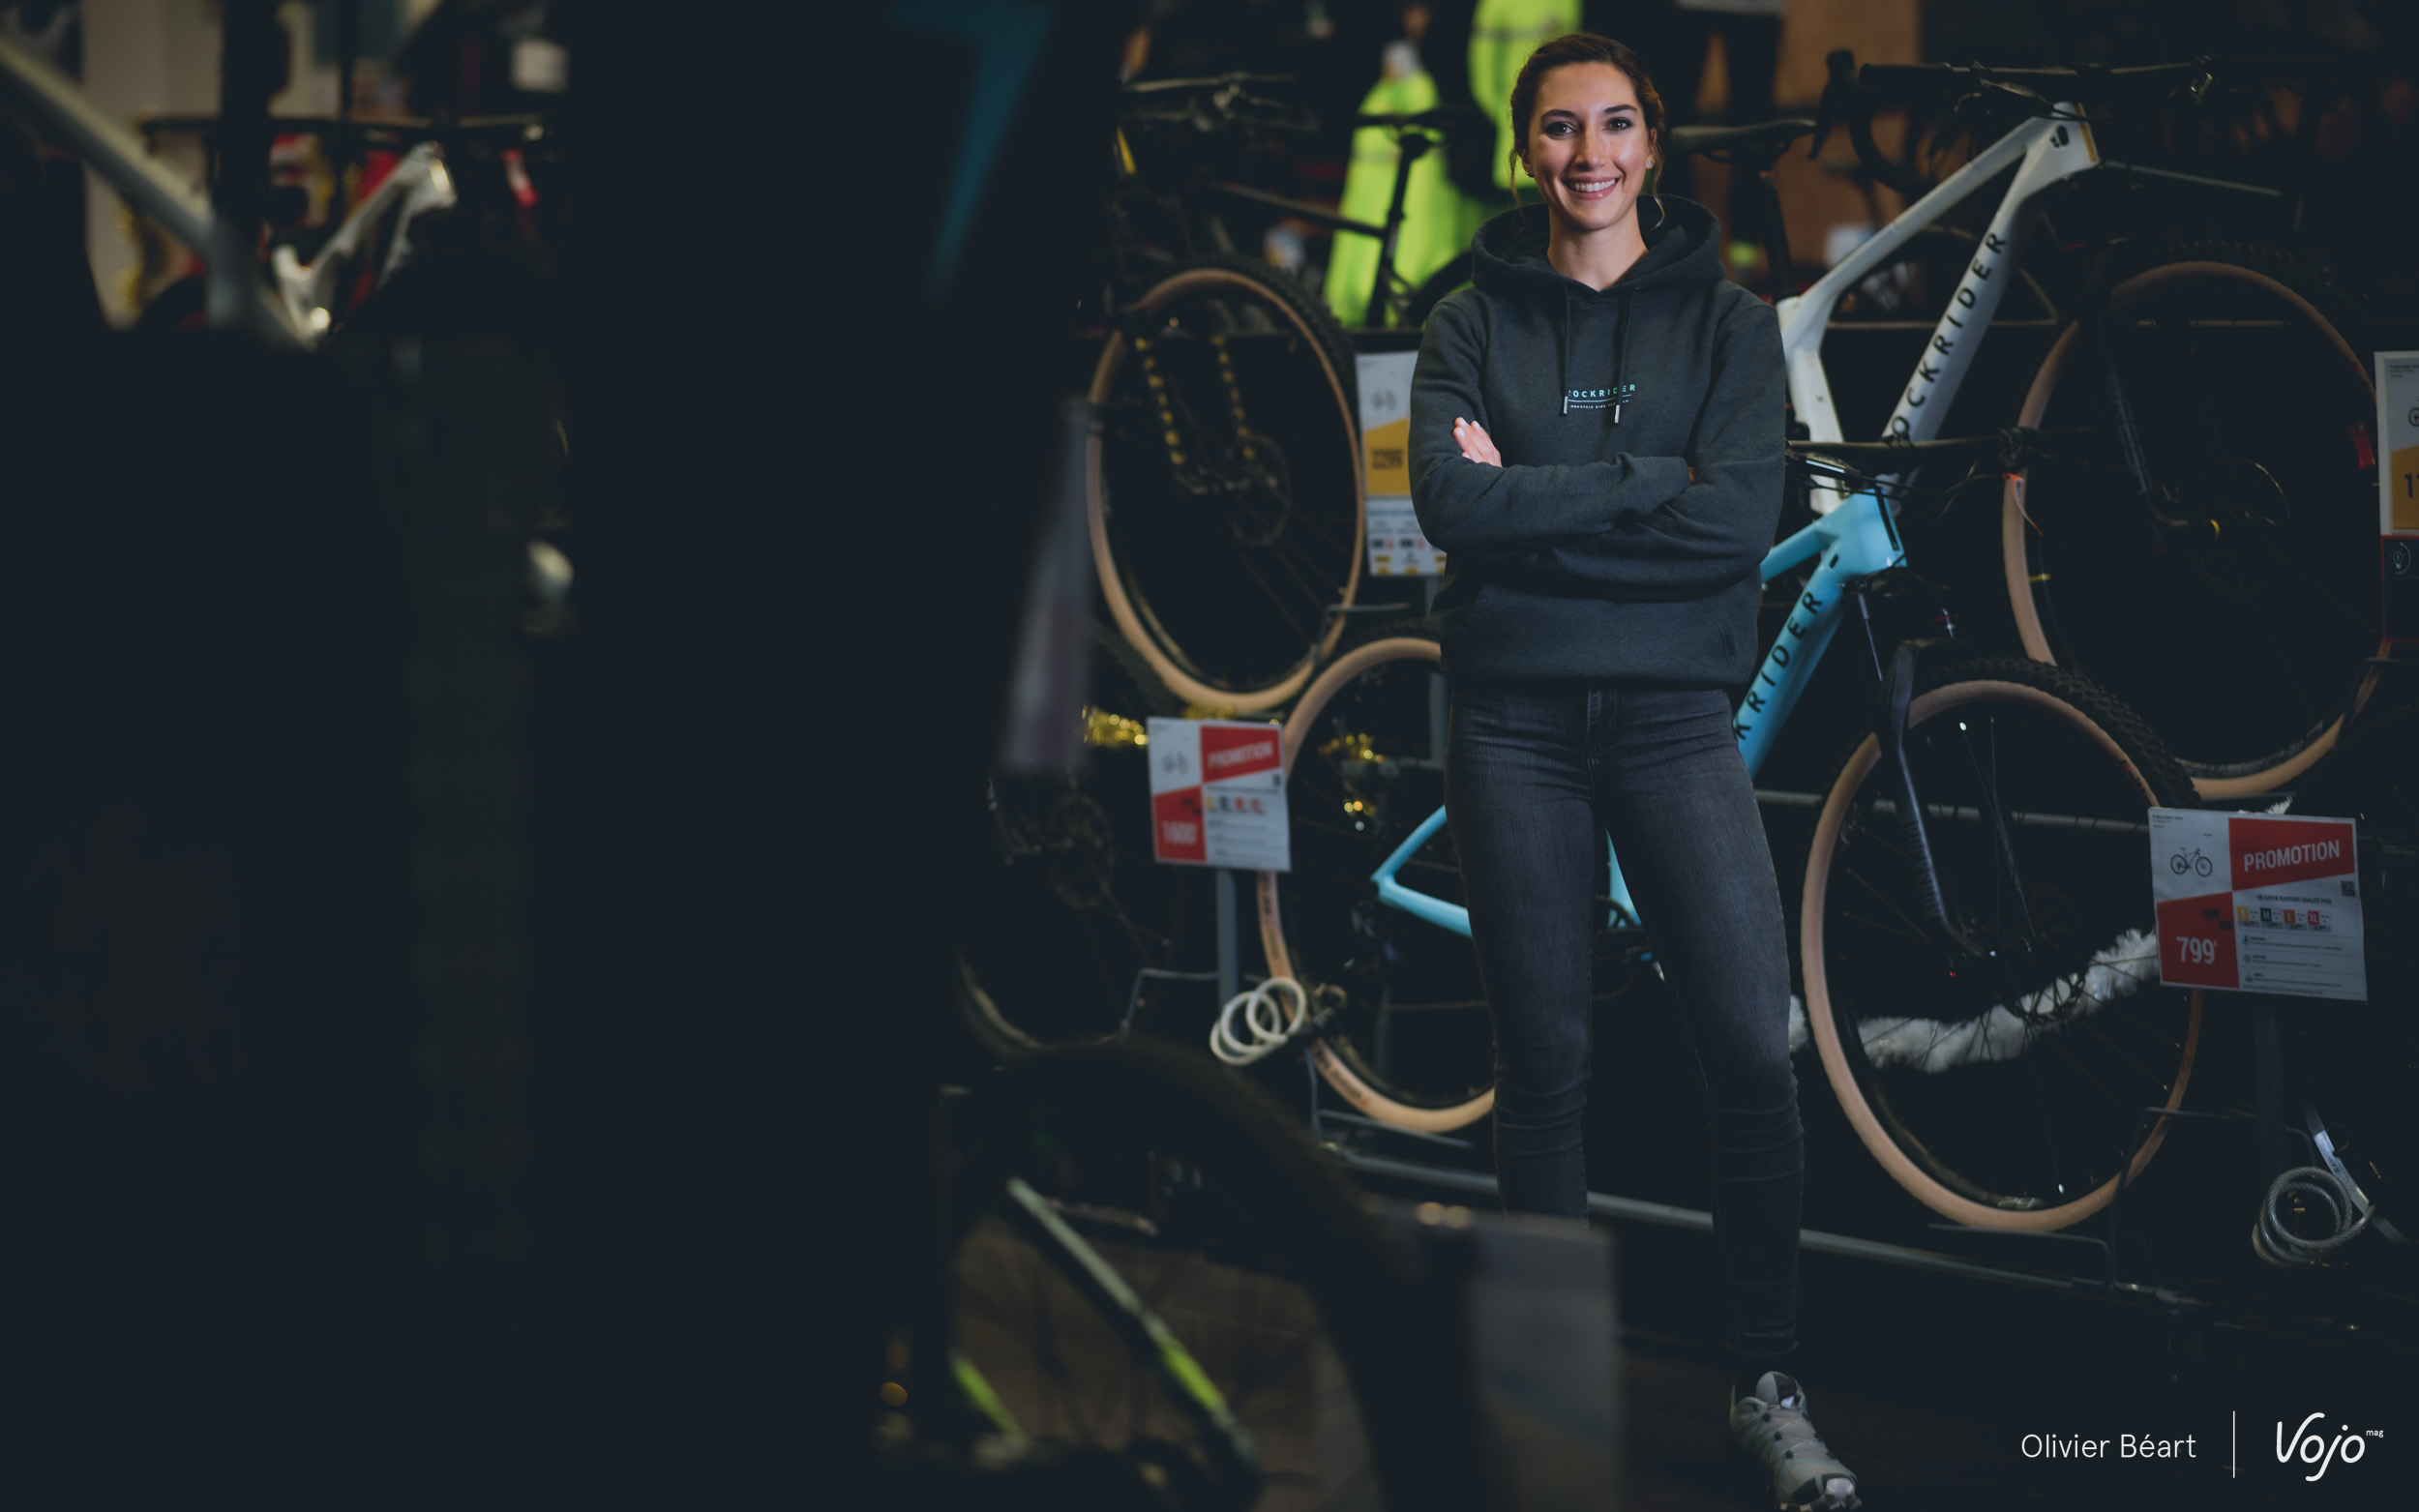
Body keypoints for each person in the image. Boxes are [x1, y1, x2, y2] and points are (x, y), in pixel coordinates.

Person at [1408, 31, 1861, 1512]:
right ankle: (1547, 1416)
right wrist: (1643, 485)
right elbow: (1450, 505)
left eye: (1614, 125)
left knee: (1748, 1054)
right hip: (1510, 726)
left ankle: (1768, 1386)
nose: (1588, 154)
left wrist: (1540, 511)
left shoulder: (1727, 326)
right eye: (1560, 128)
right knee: (1543, 1076)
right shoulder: (1467, 319)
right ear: (1525, 148)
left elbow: (1733, 529)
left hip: (1673, 720)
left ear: (1653, 145)